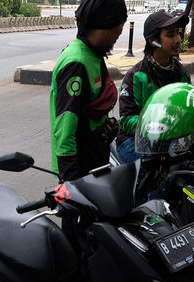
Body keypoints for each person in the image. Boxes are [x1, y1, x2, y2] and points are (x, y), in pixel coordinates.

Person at [50, 0, 127, 181]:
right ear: (107, 25)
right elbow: (65, 128)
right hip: (79, 170)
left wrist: (106, 127)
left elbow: (90, 110)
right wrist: (70, 185)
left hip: (94, 161)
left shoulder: (93, 54)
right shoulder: (76, 63)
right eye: (119, 28)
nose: (119, 34)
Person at [115, 9, 191, 164]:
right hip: (133, 140)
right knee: (156, 170)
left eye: (178, 33)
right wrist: (160, 125)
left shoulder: (182, 74)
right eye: (170, 35)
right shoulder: (135, 76)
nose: (177, 39)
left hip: (170, 140)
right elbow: (126, 120)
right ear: (153, 41)